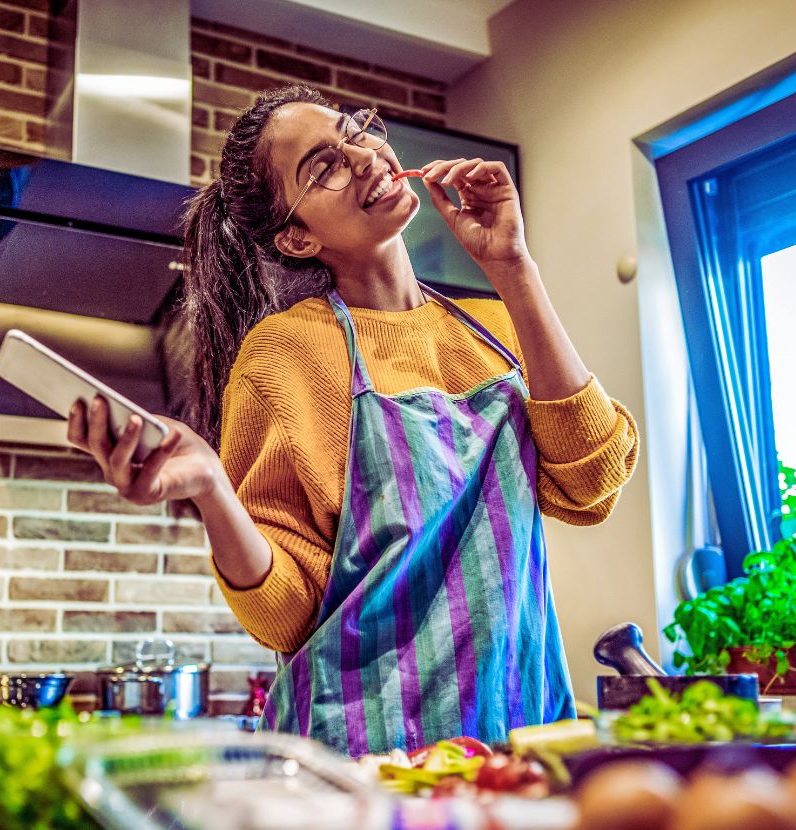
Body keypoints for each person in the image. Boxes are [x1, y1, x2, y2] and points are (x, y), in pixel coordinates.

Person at [67, 85, 639, 756]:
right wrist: (213, 492)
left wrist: (513, 265)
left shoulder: (495, 327)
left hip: (521, 738)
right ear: (297, 236)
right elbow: (287, 614)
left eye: (357, 131)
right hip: (366, 758)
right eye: (324, 165)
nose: (364, 156)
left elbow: (592, 485)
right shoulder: (284, 355)